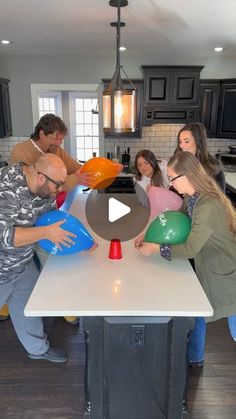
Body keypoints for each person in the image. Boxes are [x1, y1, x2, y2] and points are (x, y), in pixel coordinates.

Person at [134, 151, 236, 366]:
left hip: (226, 273)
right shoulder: (193, 197)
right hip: (209, 264)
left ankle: (195, 357)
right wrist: (150, 235)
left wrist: (155, 248)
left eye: (173, 178)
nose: (171, 184)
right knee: (198, 313)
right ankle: (195, 357)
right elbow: (176, 219)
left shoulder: (208, 205)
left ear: (188, 175)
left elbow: (189, 248)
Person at [0, 154, 76, 362]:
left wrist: (80, 242)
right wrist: (45, 233)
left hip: (22, 263)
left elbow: (52, 222)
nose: (59, 190)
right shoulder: (7, 188)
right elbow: (4, 236)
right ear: (41, 177)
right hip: (1, 269)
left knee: (26, 308)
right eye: (58, 185)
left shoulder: (45, 191)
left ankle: (37, 349)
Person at [174, 122, 225, 191]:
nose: (182, 146)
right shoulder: (179, 163)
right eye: (180, 142)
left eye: (186, 141)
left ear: (199, 142)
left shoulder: (214, 167)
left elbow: (220, 197)